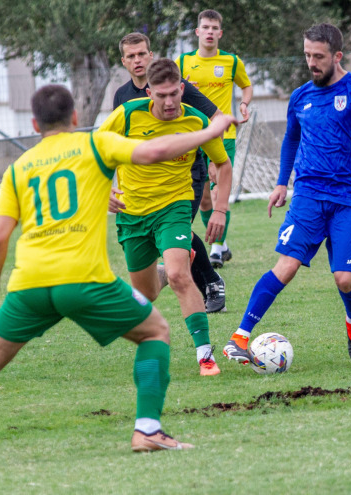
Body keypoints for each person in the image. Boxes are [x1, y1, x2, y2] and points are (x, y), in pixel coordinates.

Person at [0, 84, 238, 470]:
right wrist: (210, 132)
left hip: (28, 285)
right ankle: (148, 430)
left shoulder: (19, 167)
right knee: (154, 332)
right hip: (84, 280)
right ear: (76, 119)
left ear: (34, 123)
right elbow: (155, 151)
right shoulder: (94, 146)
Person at [222, 23, 351, 366]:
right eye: (307, 55)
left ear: (337, 56)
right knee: (286, 265)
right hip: (307, 194)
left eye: (318, 56)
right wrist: (280, 182)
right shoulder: (301, 96)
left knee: (344, 279)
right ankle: (240, 336)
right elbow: (291, 138)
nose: (311, 62)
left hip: (350, 197)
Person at [99, 59, 233, 376]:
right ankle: (160, 270)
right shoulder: (128, 115)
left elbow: (223, 165)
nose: (170, 102)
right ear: (149, 93)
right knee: (145, 294)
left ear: (182, 89)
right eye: (162, 95)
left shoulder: (196, 121)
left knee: (180, 276)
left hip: (173, 207)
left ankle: (205, 357)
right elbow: (96, 152)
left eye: (174, 93)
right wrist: (102, 191)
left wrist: (219, 209)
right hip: (132, 214)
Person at [112, 32, 227, 314]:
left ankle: (211, 283)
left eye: (142, 54)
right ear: (124, 62)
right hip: (143, 186)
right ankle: (168, 272)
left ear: (151, 55)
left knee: (177, 228)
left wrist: (215, 160)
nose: (137, 60)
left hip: (187, 171)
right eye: (131, 56)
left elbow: (215, 118)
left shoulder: (176, 86)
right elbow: (115, 146)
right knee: (167, 243)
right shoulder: (122, 99)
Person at [177, 9, 253, 268]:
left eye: (214, 28)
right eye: (205, 27)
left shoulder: (231, 62)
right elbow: (173, 90)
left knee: (219, 188)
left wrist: (244, 104)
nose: (209, 32)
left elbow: (247, 85)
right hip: (194, 135)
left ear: (220, 33)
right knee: (204, 198)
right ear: (198, 32)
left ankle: (217, 248)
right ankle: (222, 240)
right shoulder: (184, 61)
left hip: (224, 135)